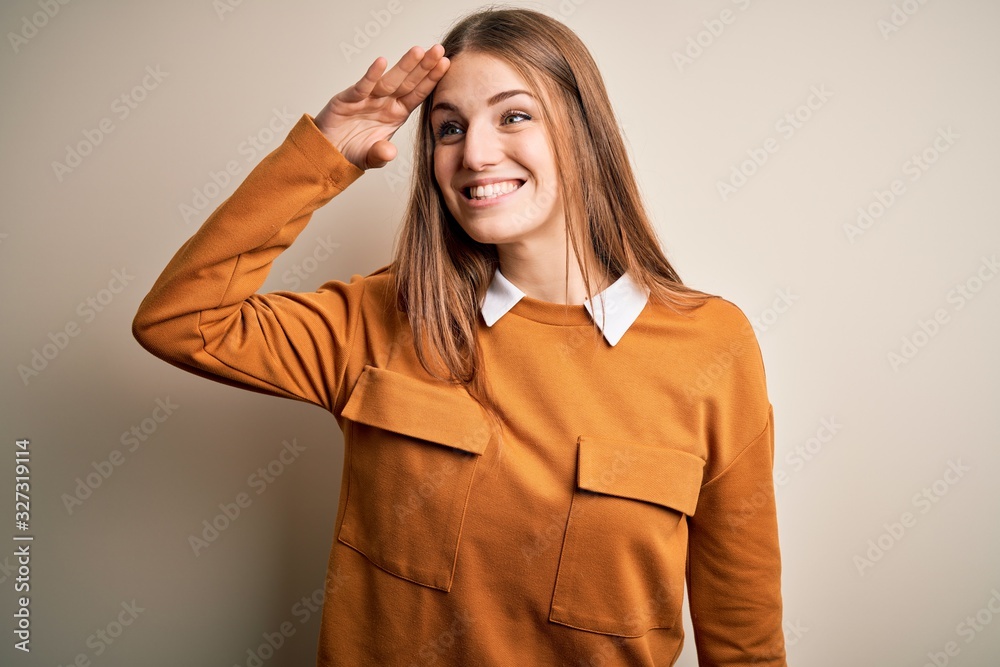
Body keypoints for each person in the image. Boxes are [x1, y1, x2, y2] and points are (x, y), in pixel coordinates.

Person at [132, 6, 786, 666]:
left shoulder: (712, 348)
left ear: (584, 131)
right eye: (449, 128)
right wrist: (322, 155)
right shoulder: (382, 317)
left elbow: (743, 638)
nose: (474, 154)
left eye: (514, 116)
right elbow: (180, 320)